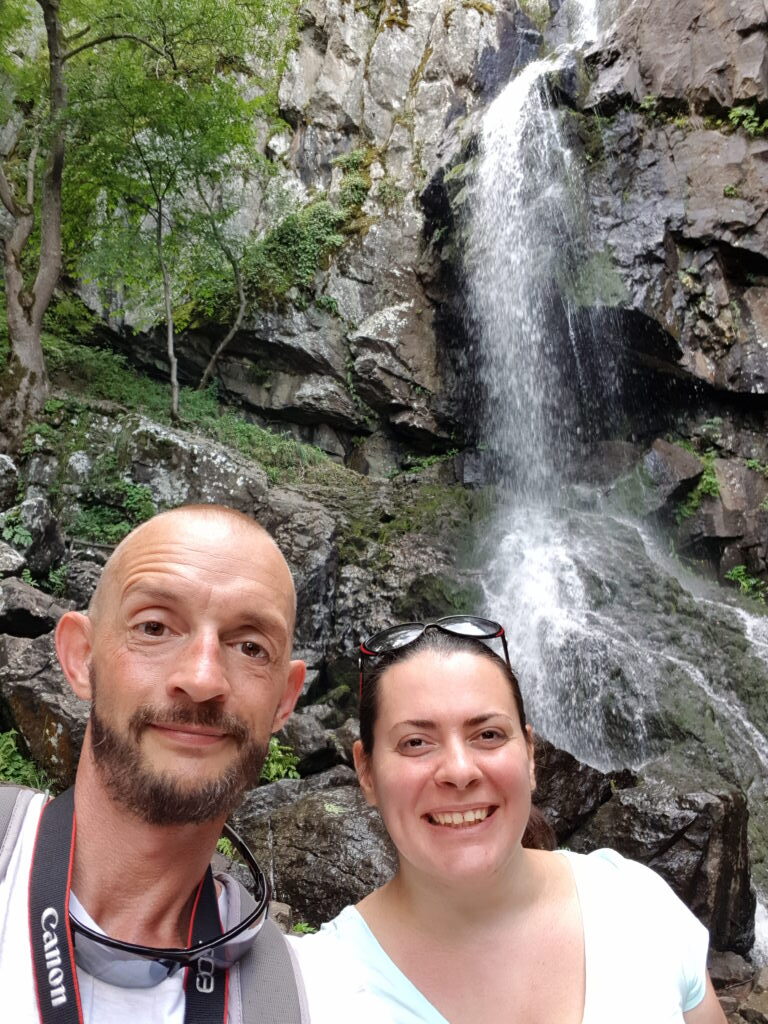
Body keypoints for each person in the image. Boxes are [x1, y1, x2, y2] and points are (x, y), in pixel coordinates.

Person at [290, 616, 728, 1024]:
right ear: (366, 771)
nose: (460, 771)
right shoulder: (319, 987)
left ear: (531, 754)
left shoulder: (636, 904)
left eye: (488, 735)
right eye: (416, 742)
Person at [0, 504, 308, 1024]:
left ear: (284, 700)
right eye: (155, 627)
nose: (203, 677)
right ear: (81, 658)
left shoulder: (299, 995)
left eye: (251, 646)